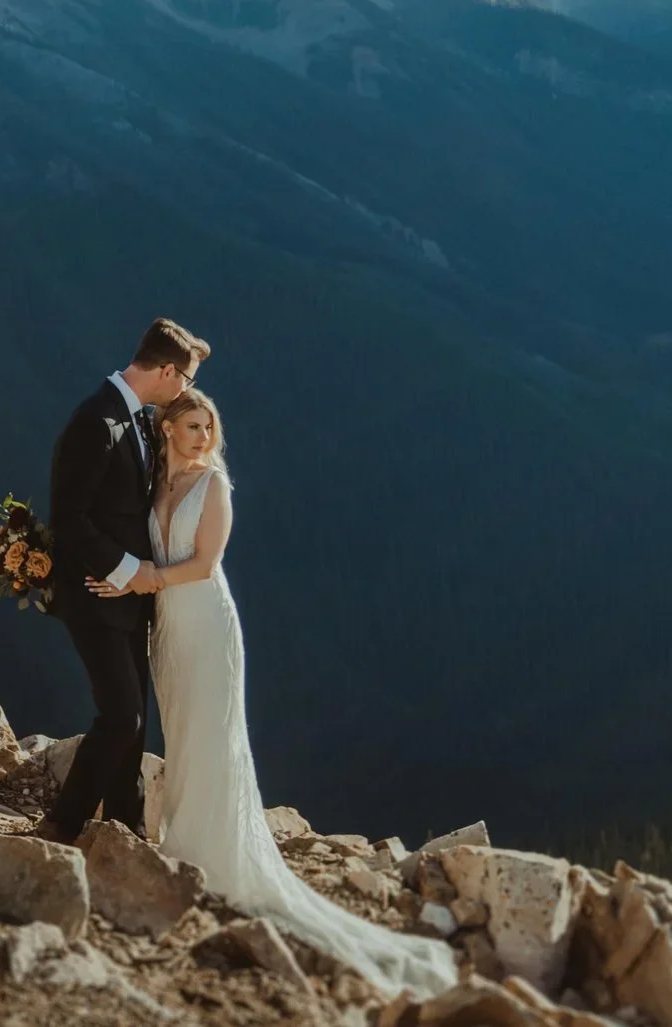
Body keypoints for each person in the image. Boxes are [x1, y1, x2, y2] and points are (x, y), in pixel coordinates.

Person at [88, 387, 458, 997]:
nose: (203, 436)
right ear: (169, 431)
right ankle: (182, 834)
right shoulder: (159, 483)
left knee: (211, 732)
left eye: (209, 426)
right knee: (181, 732)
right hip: (170, 629)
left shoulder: (214, 487)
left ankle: (207, 850)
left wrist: (143, 580)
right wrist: (117, 579)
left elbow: (205, 564)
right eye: (192, 425)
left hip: (206, 623)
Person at [34, 318, 209, 845]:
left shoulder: (131, 418)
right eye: (186, 380)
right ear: (165, 370)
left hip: (127, 600)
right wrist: (130, 573)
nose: (186, 391)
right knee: (122, 717)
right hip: (97, 593)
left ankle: (123, 829)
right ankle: (61, 825)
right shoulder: (97, 421)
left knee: (135, 725)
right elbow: (70, 519)